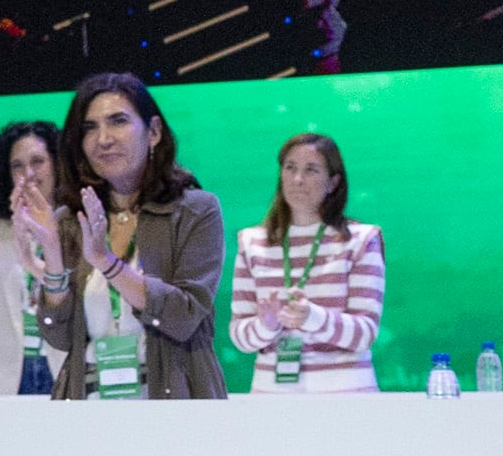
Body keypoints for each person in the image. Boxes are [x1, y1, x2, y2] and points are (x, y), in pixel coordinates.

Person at [33, 74, 228, 399]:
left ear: (153, 132)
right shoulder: (72, 217)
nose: (103, 139)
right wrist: (52, 256)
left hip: (172, 402)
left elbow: (185, 316)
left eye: (118, 121)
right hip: (90, 403)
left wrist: (107, 263)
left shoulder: (196, 210)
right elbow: (60, 338)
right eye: (90, 128)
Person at [225, 133, 385, 392]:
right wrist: (266, 324)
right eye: (290, 168)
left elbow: (365, 333)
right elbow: (241, 337)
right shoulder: (251, 242)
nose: (298, 179)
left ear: (333, 182)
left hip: (346, 396)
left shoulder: (361, 240)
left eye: (311, 170)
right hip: (271, 396)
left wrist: (312, 317)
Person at [0, 118, 64, 395]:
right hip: (3, 373)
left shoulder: (75, 225)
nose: (28, 173)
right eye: (17, 166)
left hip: (63, 366)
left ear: (57, 166)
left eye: (38, 161)